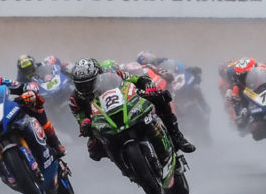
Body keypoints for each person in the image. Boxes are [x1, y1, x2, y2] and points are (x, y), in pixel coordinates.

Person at [68, 58, 196, 162]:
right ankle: (123, 162)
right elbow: (78, 115)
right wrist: (84, 123)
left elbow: (137, 79)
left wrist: (148, 86)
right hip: (102, 120)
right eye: (81, 84)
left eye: (89, 82)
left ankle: (177, 137)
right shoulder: (75, 98)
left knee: (161, 98)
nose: (85, 87)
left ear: (98, 75)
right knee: (94, 151)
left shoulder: (113, 76)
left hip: (128, 105)